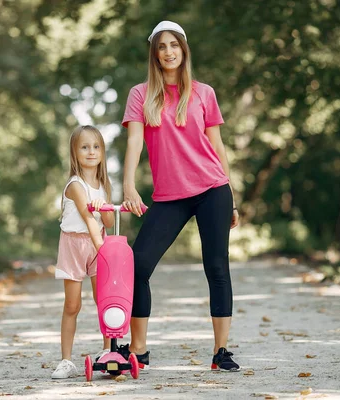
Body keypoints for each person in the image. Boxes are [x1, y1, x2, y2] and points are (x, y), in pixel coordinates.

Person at [119, 21, 241, 372]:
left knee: (216, 265)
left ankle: (221, 351)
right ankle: (138, 350)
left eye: (174, 45)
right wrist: (128, 185)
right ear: (154, 53)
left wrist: (230, 196)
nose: (169, 51)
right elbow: (135, 141)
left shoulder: (204, 93)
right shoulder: (140, 94)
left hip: (212, 189)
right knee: (138, 265)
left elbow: (217, 147)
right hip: (170, 195)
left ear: (183, 50)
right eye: (162, 46)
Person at [51, 125, 115, 379]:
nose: (91, 152)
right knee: (72, 305)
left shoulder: (104, 183)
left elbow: (107, 222)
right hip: (75, 245)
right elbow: (89, 220)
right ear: (75, 153)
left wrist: (105, 207)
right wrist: (106, 251)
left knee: (105, 302)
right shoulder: (75, 185)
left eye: (96, 147)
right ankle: (66, 360)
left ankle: (107, 351)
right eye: (85, 147)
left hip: (98, 242)